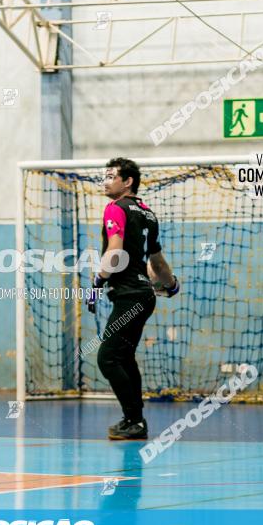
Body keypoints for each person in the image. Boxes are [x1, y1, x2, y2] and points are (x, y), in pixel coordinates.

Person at [87, 158, 179, 440]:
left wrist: (98, 280)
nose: (105, 181)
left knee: (108, 358)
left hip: (128, 296)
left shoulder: (115, 208)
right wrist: (171, 284)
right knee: (125, 358)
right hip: (144, 296)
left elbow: (114, 251)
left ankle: (134, 420)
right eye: (105, 176)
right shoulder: (148, 213)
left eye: (111, 177)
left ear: (128, 182)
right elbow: (157, 261)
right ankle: (135, 421)